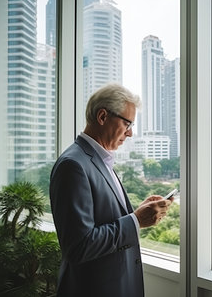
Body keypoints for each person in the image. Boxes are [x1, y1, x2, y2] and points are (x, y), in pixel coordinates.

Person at [50, 83, 173, 297]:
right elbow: (79, 246)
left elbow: (104, 218)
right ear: (103, 116)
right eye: (128, 123)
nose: (131, 133)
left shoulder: (100, 159)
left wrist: (136, 212)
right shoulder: (73, 165)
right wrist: (136, 221)